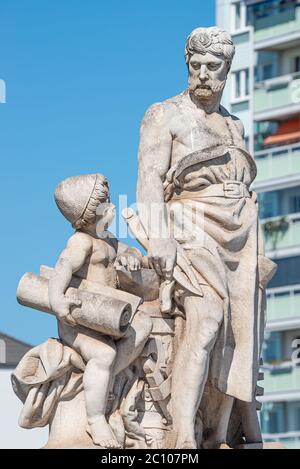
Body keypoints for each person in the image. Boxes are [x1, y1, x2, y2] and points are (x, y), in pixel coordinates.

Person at [136, 27, 276, 448]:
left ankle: (220, 433)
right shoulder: (165, 114)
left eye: (212, 67)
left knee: (239, 333)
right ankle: (180, 436)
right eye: (194, 66)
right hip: (189, 224)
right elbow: (148, 180)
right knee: (208, 317)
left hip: (240, 232)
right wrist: (158, 239)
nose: (202, 74)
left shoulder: (234, 125)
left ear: (227, 70)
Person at [49, 173, 152, 448]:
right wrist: (58, 301)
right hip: (80, 319)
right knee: (103, 354)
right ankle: (95, 420)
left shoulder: (109, 240)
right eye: (105, 202)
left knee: (143, 328)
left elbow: (132, 253)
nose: (112, 206)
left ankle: (107, 382)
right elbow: (62, 268)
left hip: (109, 316)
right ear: (88, 212)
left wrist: (132, 258)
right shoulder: (81, 242)